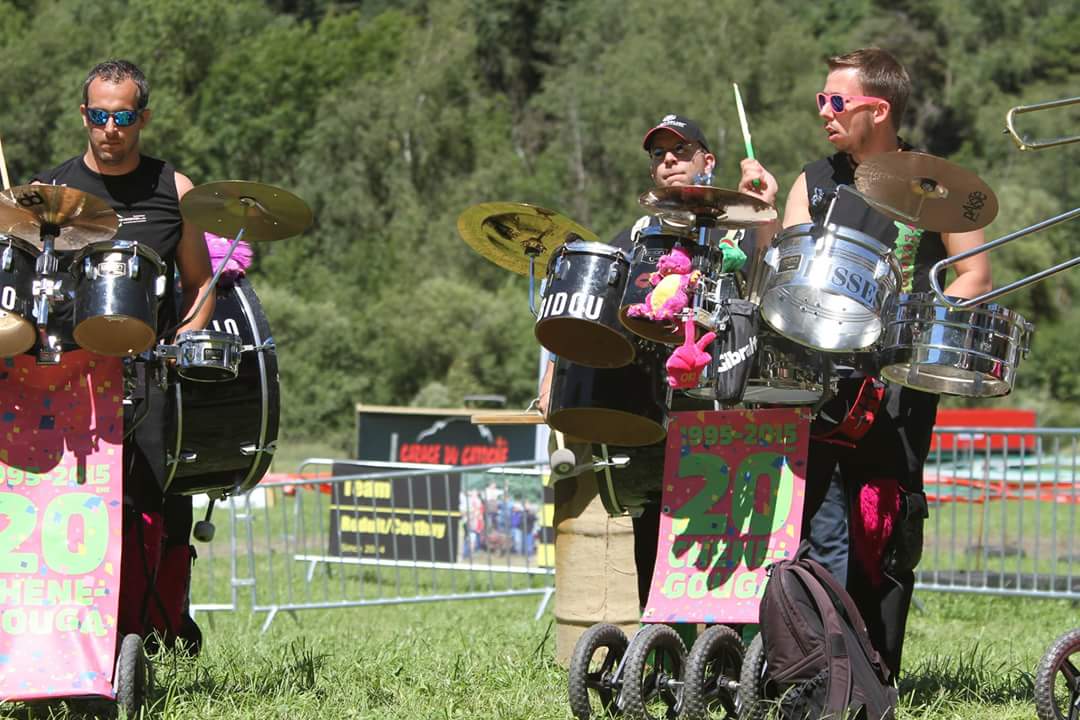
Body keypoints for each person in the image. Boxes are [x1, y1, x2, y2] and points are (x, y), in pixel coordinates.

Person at [777, 47, 991, 676]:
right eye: (821, 99)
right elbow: (787, 267)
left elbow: (974, 276)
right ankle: (816, 666)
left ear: (878, 109)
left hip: (897, 380)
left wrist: (917, 326)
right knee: (813, 521)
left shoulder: (937, 182)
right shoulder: (812, 181)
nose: (824, 111)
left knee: (886, 525)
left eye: (836, 101)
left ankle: (876, 673)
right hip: (819, 376)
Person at [539, 113, 776, 611]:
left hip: (717, 393)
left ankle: (720, 637)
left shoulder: (736, 226)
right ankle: (660, 633)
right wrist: (553, 374)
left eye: (680, 150)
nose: (668, 160)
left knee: (718, 524)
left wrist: (765, 212)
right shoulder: (637, 234)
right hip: (650, 398)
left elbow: (765, 283)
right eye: (658, 154)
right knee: (652, 516)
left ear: (707, 161)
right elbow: (594, 310)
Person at [31, 59, 216, 652]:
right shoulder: (49, 192)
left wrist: (184, 340)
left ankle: (146, 628)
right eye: (100, 116)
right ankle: (60, 637)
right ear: (84, 115)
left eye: (124, 117)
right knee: (66, 502)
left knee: (153, 502)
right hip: (71, 377)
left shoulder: (174, 189)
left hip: (149, 372)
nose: (111, 128)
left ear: (143, 117)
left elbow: (201, 282)